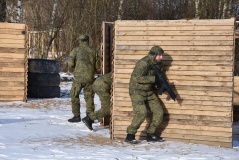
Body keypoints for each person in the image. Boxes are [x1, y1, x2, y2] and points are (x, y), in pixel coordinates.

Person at [125, 45, 165, 144]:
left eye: (162, 55)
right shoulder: (143, 63)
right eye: (159, 55)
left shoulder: (159, 64)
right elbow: (137, 78)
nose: (161, 57)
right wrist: (153, 79)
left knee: (159, 112)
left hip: (149, 92)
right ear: (154, 55)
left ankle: (151, 134)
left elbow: (158, 78)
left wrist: (159, 85)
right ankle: (130, 135)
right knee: (141, 112)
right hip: (137, 91)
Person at [67, 34, 100, 123]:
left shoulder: (75, 50)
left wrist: (76, 68)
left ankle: (77, 116)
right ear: (88, 40)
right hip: (90, 78)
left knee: (74, 95)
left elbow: (70, 63)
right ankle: (89, 117)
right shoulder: (94, 51)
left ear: (80, 40)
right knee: (89, 97)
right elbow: (98, 65)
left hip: (78, 78)